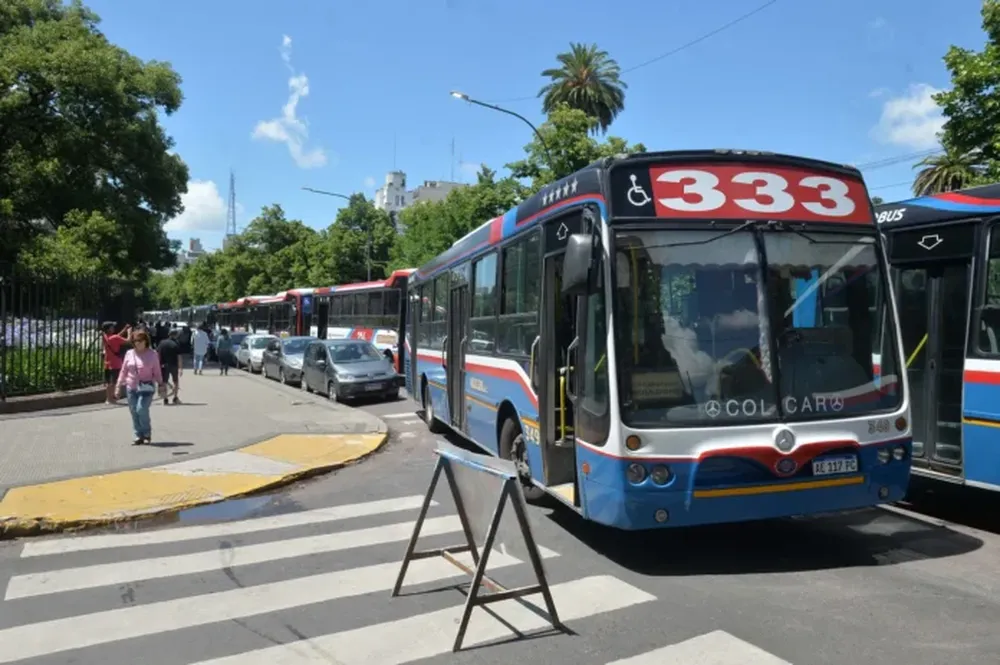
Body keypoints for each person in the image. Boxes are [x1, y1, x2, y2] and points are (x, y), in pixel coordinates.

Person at [115, 330, 165, 445]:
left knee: (141, 409)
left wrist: (161, 384)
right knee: (133, 411)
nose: (137, 343)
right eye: (135, 341)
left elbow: (157, 371)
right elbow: (123, 371)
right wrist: (118, 386)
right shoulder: (129, 353)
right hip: (131, 386)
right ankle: (138, 435)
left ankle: (147, 432)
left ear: (145, 341)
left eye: (140, 341)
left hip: (146, 387)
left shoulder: (152, 354)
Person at [102, 322, 131, 405]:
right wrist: (129, 332)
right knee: (113, 382)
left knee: (108, 383)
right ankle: (113, 398)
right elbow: (128, 341)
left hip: (107, 363)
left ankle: (108, 399)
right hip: (115, 364)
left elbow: (117, 336)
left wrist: (124, 329)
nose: (113, 328)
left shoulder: (105, 337)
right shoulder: (114, 338)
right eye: (112, 327)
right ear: (108, 329)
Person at [157, 328, 182, 405]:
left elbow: (158, 355)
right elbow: (179, 357)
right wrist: (180, 368)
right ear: (176, 335)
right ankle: (175, 397)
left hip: (164, 365)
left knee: (164, 382)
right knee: (175, 381)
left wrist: (157, 365)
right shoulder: (176, 344)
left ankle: (165, 398)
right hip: (174, 365)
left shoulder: (162, 343)